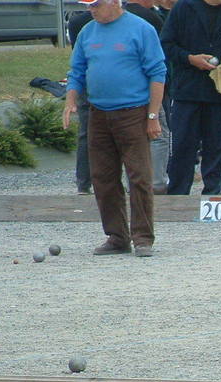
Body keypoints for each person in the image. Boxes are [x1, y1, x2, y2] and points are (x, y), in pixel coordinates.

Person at [63, 0, 166, 257]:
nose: (91, 10)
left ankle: (143, 237)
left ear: (113, 2)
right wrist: (70, 100)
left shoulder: (141, 29)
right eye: (88, 5)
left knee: (139, 176)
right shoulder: (88, 31)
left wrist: (153, 115)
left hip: (133, 112)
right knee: (103, 177)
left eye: (95, 5)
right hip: (98, 113)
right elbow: (77, 70)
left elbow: (157, 72)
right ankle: (117, 236)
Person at [160, 0, 221, 195]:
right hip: (186, 91)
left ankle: (214, 194)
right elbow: (166, 44)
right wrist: (190, 58)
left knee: (218, 146)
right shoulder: (184, 8)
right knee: (182, 145)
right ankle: (177, 196)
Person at [125, 0, 172, 194]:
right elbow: (158, 64)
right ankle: (157, 183)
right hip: (147, 89)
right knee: (158, 135)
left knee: (130, 139)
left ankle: (135, 184)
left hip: (123, 93)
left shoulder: (122, 19)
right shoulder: (151, 20)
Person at [67, 10, 95, 195]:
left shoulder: (76, 21)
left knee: (85, 133)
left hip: (85, 82)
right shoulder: (87, 24)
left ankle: (83, 182)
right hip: (96, 84)